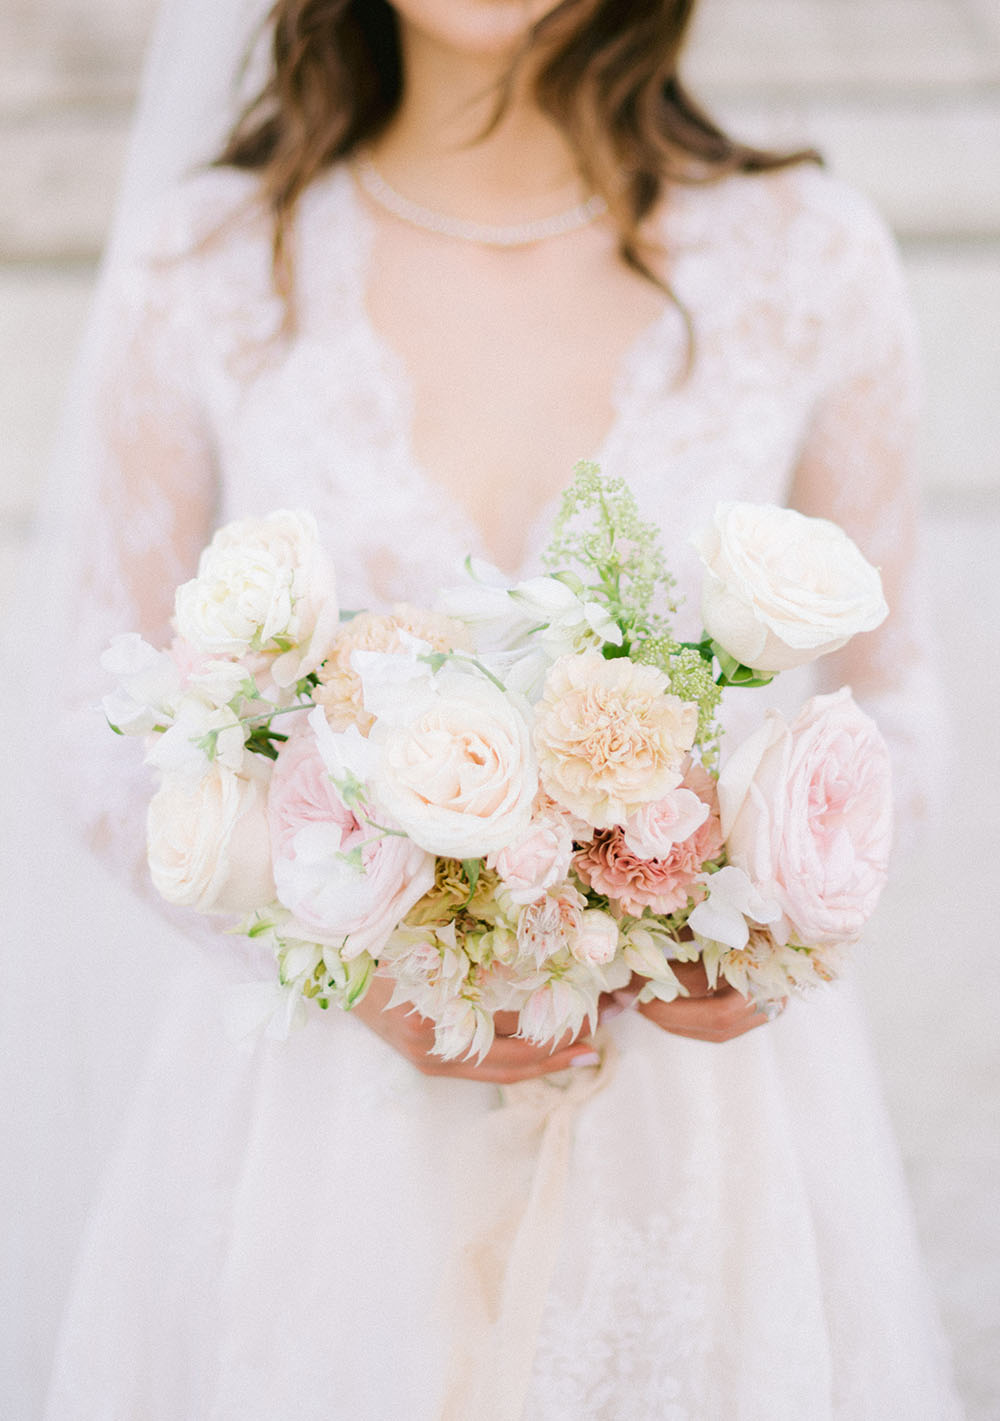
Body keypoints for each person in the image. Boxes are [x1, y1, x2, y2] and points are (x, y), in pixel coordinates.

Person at [8, 0, 962, 1415]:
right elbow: (100, 732)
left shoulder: (807, 256)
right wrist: (342, 941)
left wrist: (760, 910)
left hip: (696, 1134)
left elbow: (901, 707)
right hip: (324, 1135)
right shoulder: (204, 265)